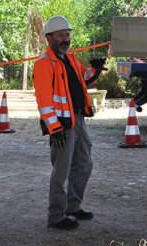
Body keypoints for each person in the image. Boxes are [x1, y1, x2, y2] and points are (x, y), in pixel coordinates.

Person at [33, 15, 106, 230]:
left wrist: (96, 69)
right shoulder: (44, 64)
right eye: (60, 35)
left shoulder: (71, 59)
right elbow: (44, 100)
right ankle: (56, 216)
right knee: (61, 171)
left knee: (84, 163)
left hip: (78, 119)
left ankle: (73, 207)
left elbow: (84, 78)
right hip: (62, 124)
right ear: (49, 38)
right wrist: (54, 128)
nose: (65, 39)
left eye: (67, 35)